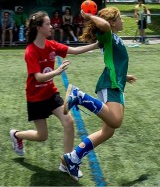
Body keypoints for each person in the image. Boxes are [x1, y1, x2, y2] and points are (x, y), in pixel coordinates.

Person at [9, 11, 99, 178]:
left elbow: (73, 50)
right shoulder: (30, 51)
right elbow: (38, 77)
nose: (51, 26)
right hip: (35, 98)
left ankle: (67, 162)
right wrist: (57, 72)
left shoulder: (51, 45)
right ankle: (16, 135)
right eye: (48, 24)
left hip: (50, 94)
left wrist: (95, 45)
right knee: (42, 136)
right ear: (38, 28)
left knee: (69, 121)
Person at [61, 7, 137, 181]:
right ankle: (79, 96)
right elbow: (103, 25)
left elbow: (112, 60)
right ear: (112, 23)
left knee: (108, 132)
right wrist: (88, 16)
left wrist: (125, 76)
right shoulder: (108, 34)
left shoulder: (113, 38)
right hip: (110, 84)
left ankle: (73, 158)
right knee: (116, 121)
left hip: (115, 83)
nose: (123, 21)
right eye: (120, 18)